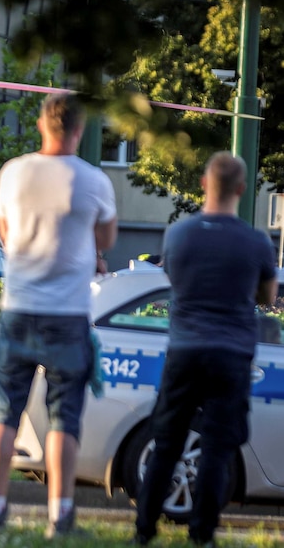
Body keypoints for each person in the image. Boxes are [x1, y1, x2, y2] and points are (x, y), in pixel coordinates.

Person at [0, 93, 117, 538]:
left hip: (18, 308)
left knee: (4, 413)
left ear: (42, 125)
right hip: (68, 314)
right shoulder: (94, 180)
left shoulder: (13, 172)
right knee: (64, 419)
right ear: (79, 130)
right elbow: (107, 238)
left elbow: (5, 231)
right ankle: (60, 518)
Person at [134, 152, 276, 547]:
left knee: (167, 441)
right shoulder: (256, 241)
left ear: (203, 183)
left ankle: (144, 530)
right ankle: (203, 534)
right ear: (242, 190)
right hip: (231, 355)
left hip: (185, 350)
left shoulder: (178, 235)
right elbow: (267, 294)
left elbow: (173, 281)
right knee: (217, 446)